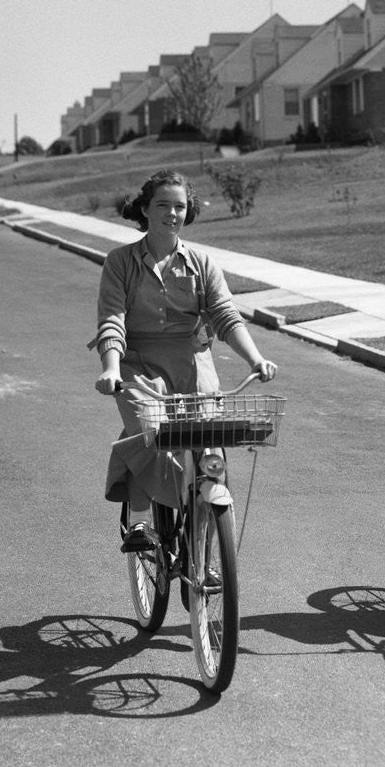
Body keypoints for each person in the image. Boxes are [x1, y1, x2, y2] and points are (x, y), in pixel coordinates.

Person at [92, 170, 277, 551]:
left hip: (193, 364)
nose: (172, 213)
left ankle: (208, 557)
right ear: (145, 209)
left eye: (179, 206)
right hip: (137, 365)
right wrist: (111, 368)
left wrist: (255, 359)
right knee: (150, 429)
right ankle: (141, 519)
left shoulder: (202, 262)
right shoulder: (120, 261)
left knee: (208, 446)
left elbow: (226, 316)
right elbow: (112, 319)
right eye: (163, 205)